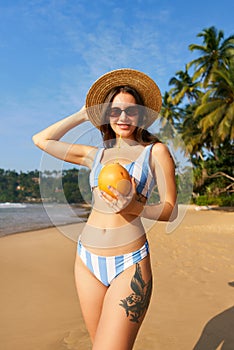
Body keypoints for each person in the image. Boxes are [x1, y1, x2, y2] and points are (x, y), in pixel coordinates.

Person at [32, 68, 177, 350]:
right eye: (115, 110)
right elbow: (41, 140)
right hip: (86, 261)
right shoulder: (95, 155)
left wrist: (135, 207)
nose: (123, 118)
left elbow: (170, 209)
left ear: (142, 114)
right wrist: (82, 114)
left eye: (131, 111)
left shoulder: (155, 152)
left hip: (129, 263)